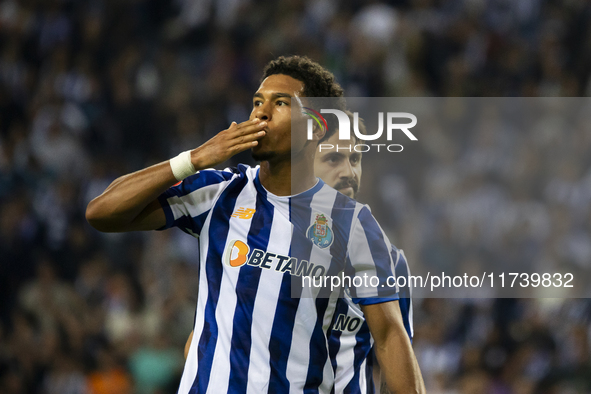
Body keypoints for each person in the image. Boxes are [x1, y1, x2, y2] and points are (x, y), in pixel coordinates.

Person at [86, 55, 424, 393]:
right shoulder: (219, 192)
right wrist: (193, 159)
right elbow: (102, 212)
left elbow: (390, 337)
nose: (260, 112)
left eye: (280, 103)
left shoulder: (353, 224)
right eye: (257, 102)